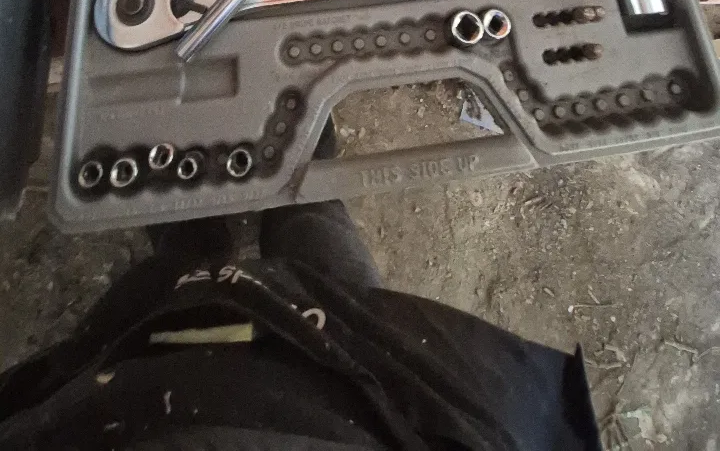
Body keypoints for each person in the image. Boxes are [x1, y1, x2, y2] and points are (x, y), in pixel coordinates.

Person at [0, 194, 600, 451]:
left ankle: (192, 213)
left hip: (128, 393)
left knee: (178, 266)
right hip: (354, 393)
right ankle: (289, 171)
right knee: (317, 238)